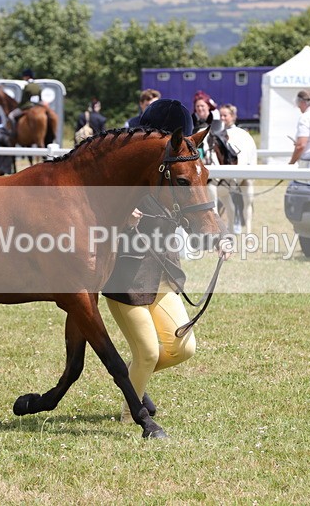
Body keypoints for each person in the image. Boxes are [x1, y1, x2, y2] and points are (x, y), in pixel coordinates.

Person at [102, 98, 230, 423]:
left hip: (162, 271)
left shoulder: (178, 167)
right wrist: (119, 213)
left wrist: (217, 236)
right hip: (125, 275)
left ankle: (131, 380)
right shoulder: (125, 166)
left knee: (183, 349)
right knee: (147, 352)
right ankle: (131, 415)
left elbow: (195, 202)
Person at [219, 103, 258, 234]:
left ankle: (247, 228)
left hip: (242, 172)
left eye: (225, 115)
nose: (222, 118)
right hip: (223, 175)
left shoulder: (242, 134)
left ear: (233, 116)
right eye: (221, 115)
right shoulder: (216, 134)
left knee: (246, 201)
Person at [191, 90, 218, 163]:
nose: (200, 108)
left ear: (208, 106)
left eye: (202, 106)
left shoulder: (216, 120)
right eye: (197, 106)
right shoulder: (192, 122)